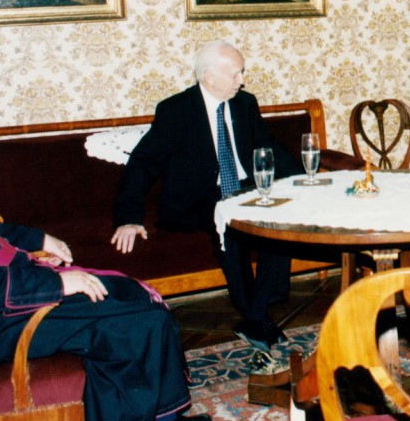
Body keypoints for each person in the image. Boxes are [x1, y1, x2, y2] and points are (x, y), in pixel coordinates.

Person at [0, 77, 213, 421]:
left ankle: (159, 418)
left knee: (130, 296)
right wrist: (56, 283)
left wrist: (37, 238)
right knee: (139, 322)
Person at [111, 40, 303, 351]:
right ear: (209, 76)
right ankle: (256, 314)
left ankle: (256, 315)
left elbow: (269, 148)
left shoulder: (245, 104)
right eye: (236, 73)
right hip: (195, 200)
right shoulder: (176, 110)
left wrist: (302, 180)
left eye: (242, 72)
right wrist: (128, 218)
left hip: (243, 188)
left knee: (278, 219)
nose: (242, 80)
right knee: (228, 221)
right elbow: (143, 164)